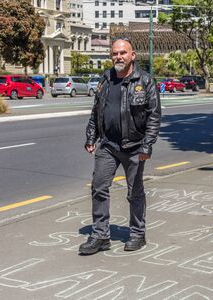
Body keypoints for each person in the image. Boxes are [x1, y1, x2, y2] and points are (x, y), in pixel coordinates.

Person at [79, 39, 161, 255]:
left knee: (135, 192)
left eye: (123, 53)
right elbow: (96, 110)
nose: (118, 57)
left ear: (132, 55)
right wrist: (91, 136)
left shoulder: (145, 80)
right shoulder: (106, 79)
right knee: (98, 187)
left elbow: (154, 116)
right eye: (115, 53)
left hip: (135, 146)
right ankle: (100, 235)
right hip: (108, 145)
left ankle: (137, 233)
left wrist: (147, 146)